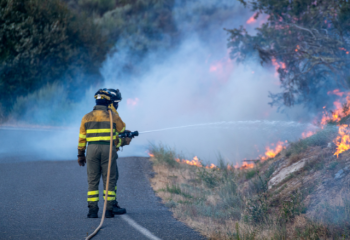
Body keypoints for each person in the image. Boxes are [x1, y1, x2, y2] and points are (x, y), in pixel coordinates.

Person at [77, 89, 132, 218]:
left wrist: (80, 155)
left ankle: (92, 211)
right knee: (109, 180)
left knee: (92, 180)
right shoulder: (113, 115)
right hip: (108, 149)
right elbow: (122, 129)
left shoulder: (86, 117)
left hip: (91, 150)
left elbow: (81, 138)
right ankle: (108, 210)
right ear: (108, 102)